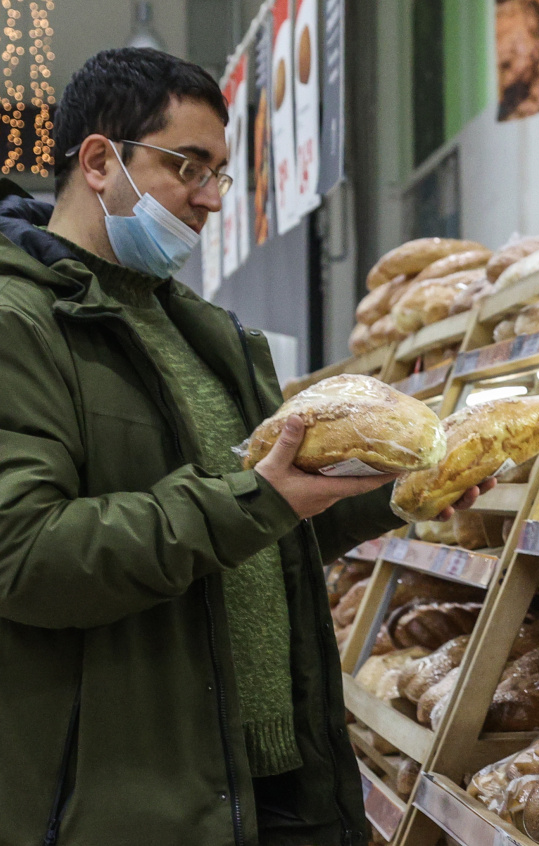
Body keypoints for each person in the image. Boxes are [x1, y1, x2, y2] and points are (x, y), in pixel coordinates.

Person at [0, 48, 487, 845]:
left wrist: (395, 495)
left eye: (220, 174)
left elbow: (267, 533)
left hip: (274, 777)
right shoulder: (20, 325)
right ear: (98, 161)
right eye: (187, 166)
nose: (210, 198)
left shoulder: (212, 338)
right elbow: (25, 558)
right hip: (132, 798)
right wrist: (254, 499)